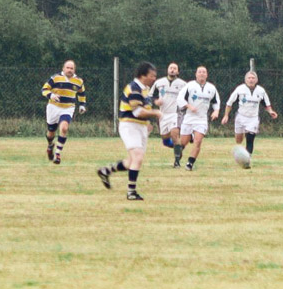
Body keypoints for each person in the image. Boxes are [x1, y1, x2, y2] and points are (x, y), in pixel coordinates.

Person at [98, 61, 161, 200]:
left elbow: (145, 106)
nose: (154, 78)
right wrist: (156, 113)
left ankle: (105, 171)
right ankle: (131, 192)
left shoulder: (143, 89)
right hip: (130, 125)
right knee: (137, 157)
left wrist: (151, 113)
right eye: (152, 75)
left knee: (132, 161)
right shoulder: (133, 88)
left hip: (140, 126)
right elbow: (138, 112)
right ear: (143, 75)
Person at [221, 71, 278, 158]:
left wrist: (271, 111)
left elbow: (266, 104)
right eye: (249, 78)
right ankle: (242, 149)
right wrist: (226, 115)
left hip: (253, 118)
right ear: (245, 80)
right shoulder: (240, 89)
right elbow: (229, 103)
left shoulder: (261, 91)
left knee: (250, 139)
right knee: (238, 140)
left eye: (253, 78)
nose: (251, 80)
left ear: (256, 80)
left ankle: (247, 159)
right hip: (241, 117)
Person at [41, 59, 87, 165]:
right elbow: (44, 89)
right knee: (51, 132)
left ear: (74, 69)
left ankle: (57, 154)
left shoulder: (78, 81)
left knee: (64, 128)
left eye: (72, 68)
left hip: (68, 108)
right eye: (68, 68)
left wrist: (82, 105)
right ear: (63, 68)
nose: (69, 70)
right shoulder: (55, 78)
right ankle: (50, 145)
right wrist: (51, 95)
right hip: (53, 107)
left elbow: (82, 93)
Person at [176, 66, 221, 171]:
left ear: (207, 75)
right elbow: (180, 98)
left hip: (201, 119)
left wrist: (216, 111)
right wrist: (189, 106)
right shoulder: (190, 86)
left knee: (198, 141)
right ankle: (177, 158)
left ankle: (190, 163)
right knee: (183, 143)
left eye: (204, 72)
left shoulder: (211, 88)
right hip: (189, 118)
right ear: (196, 74)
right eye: (200, 72)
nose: (202, 74)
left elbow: (216, 102)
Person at [152, 63, 187, 166]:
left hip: (175, 113)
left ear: (178, 72)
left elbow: (188, 98)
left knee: (174, 134)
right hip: (163, 114)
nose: (172, 70)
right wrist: (155, 101)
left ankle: (177, 162)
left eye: (175, 68)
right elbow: (150, 97)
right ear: (167, 70)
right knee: (165, 141)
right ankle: (179, 147)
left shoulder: (183, 84)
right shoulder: (159, 83)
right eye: (170, 68)